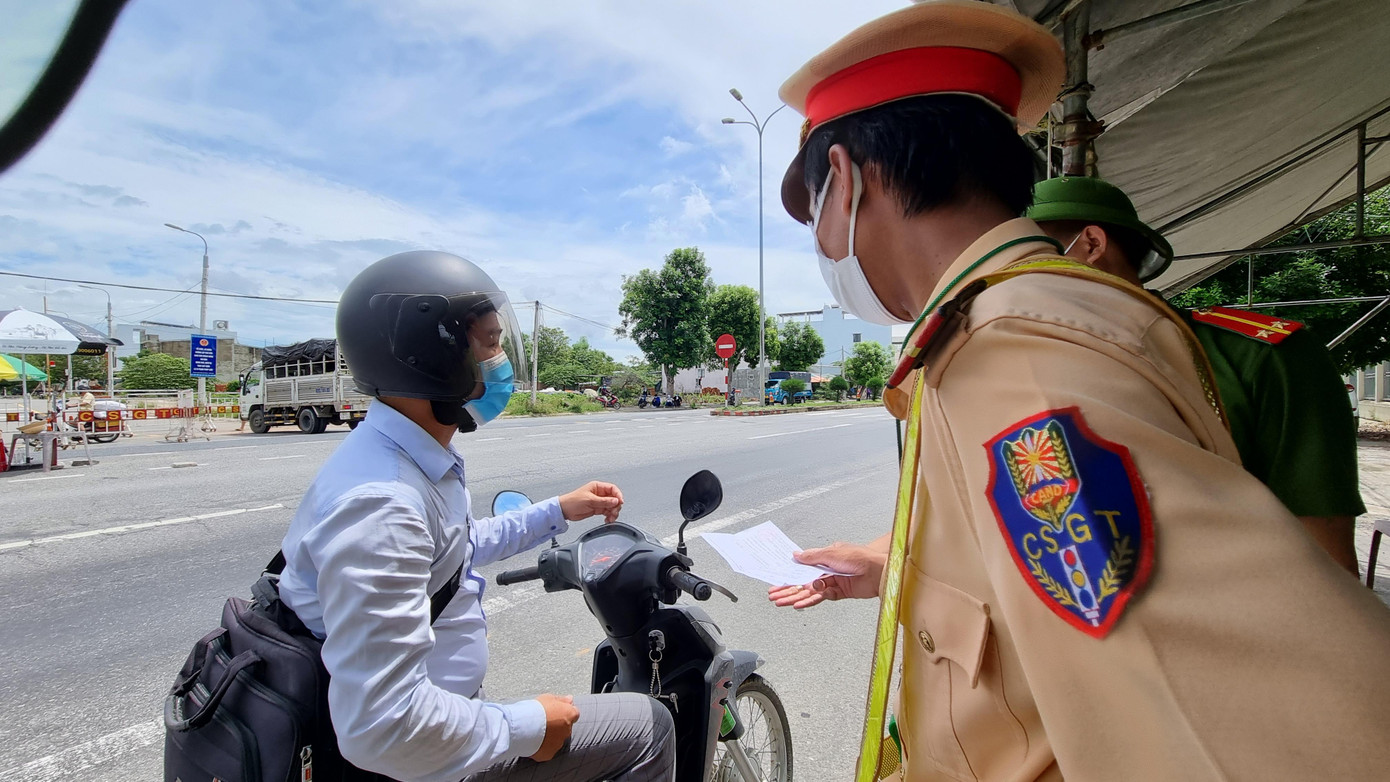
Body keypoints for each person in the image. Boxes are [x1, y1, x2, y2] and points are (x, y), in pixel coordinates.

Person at [766, 2, 1390, 780]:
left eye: (814, 212)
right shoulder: (988, 330)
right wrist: (892, 565)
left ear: (846, 178)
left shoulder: (1013, 348)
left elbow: (1257, 718)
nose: (822, 241)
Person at [278, 251, 675, 781]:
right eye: (489, 343)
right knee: (650, 727)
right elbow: (381, 724)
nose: (501, 359)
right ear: (432, 357)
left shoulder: (406, 459)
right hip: (422, 758)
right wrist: (527, 725)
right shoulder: (384, 503)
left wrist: (557, 510)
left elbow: (452, 549)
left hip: (448, 715)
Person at [1026, 175, 1366, 575]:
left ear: (1092, 245)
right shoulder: (1030, 368)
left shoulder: (1257, 357)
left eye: (1026, 257)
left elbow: (1326, 554)